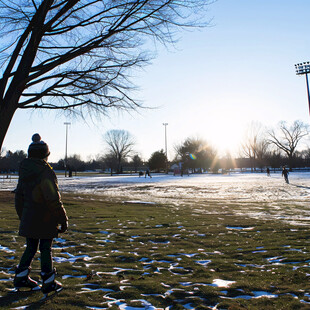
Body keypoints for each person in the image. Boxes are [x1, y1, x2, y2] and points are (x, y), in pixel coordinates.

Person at [13, 134, 68, 295]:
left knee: (30, 247)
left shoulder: (24, 171)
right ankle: (48, 281)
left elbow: (19, 198)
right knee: (45, 248)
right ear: (46, 154)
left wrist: (23, 216)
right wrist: (62, 219)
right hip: (45, 218)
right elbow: (52, 199)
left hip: (29, 216)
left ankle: (21, 277)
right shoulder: (46, 172)